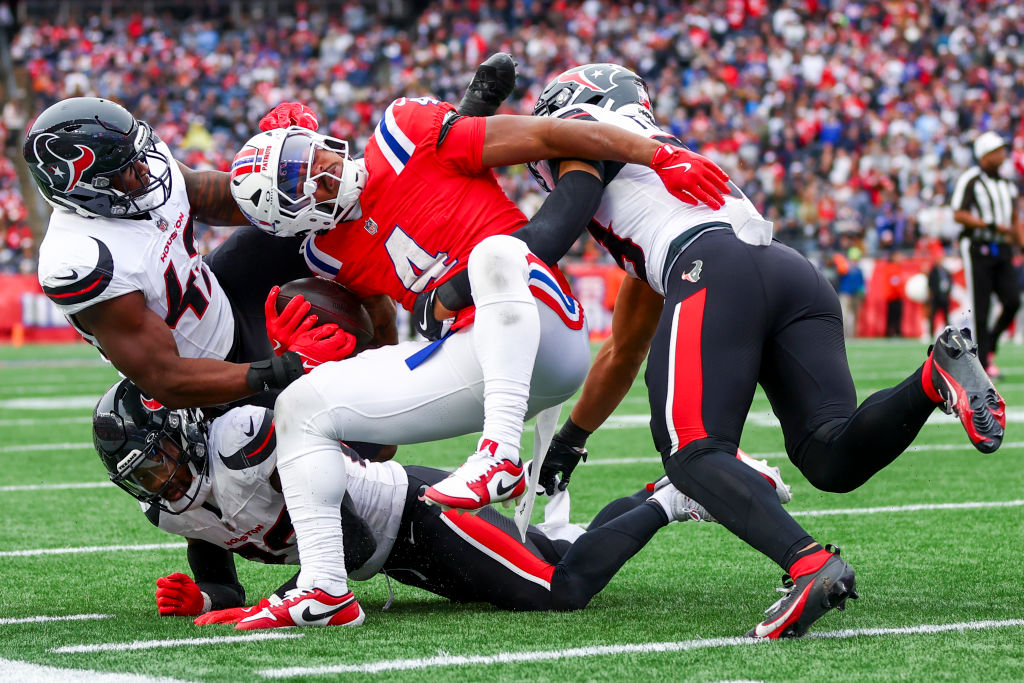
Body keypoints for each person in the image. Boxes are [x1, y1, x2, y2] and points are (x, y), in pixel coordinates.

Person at [455, 63, 1004, 639]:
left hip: (712, 267)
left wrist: (459, 284)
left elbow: (552, 231)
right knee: (829, 454)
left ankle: (808, 563)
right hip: (789, 272)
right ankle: (932, 375)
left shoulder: (588, 142)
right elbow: (625, 346)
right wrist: (572, 439)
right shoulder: (657, 175)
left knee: (692, 453)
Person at [224, 69, 732, 624]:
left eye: (308, 156)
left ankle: (500, 454)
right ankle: (324, 589)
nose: (321, 170)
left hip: (540, 323)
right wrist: (324, 357)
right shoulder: (327, 255)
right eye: (304, 184)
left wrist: (654, 155)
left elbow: (545, 137)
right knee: (300, 406)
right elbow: (387, 326)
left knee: (493, 255)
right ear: (296, 219)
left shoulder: (403, 129)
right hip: (468, 358)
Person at [91, 378, 792, 626]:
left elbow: (350, 549)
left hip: (417, 514)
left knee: (560, 592)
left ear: (181, 429)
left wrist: (262, 605)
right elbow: (218, 559)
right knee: (551, 553)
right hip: (398, 554)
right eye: (141, 476)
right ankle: (654, 493)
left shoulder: (241, 438)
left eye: (156, 460)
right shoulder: (170, 503)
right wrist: (212, 599)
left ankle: (676, 493)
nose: (158, 482)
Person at [24, 97, 353, 411]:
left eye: (138, 154)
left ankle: (391, 350)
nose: (145, 167)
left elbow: (223, 200)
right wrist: (283, 368)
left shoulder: (144, 166)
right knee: (335, 442)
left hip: (222, 292)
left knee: (327, 213)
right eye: (126, 168)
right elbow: (167, 379)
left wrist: (287, 166)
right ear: (88, 188)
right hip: (206, 378)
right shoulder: (82, 260)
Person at [951, 131, 1022, 378]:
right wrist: (988, 225)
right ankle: (981, 364)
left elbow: (1014, 219)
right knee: (981, 307)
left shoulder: (1007, 184)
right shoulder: (971, 179)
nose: (1002, 154)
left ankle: (989, 344)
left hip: (1001, 247)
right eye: (997, 150)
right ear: (985, 155)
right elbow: (958, 213)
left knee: (1013, 301)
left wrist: (1020, 244)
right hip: (977, 246)